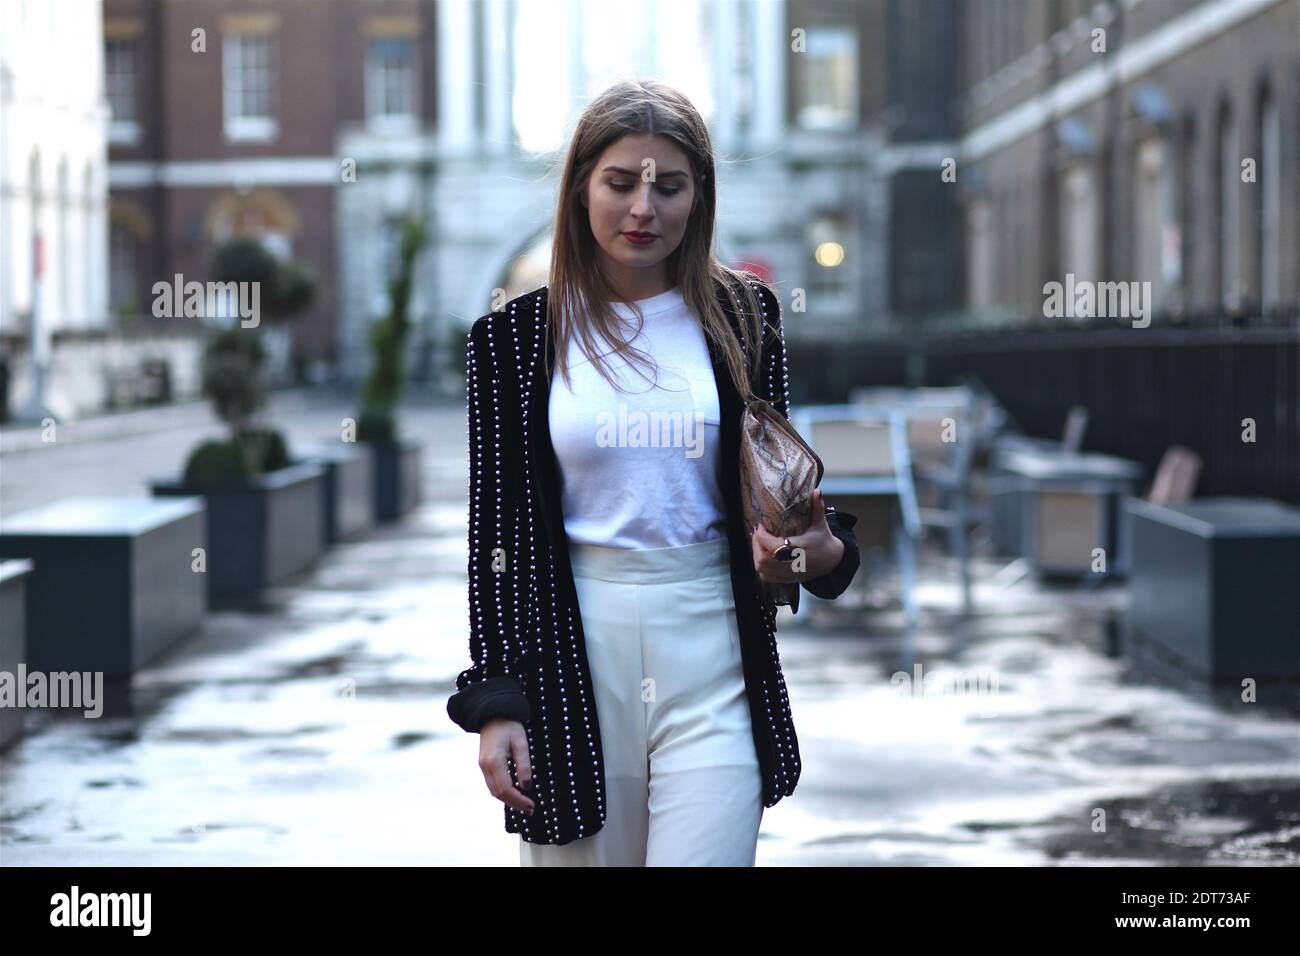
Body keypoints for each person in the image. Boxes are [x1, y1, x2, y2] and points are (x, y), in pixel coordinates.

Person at [448, 79, 861, 866]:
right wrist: (498, 701)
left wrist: (814, 552)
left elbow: (783, 499)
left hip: (713, 649)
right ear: (579, 188)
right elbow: (496, 535)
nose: (645, 208)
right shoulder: (512, 341)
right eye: (621, 182)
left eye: (669, 186)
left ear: (698, 195)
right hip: (573, 658)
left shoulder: (745, 318)